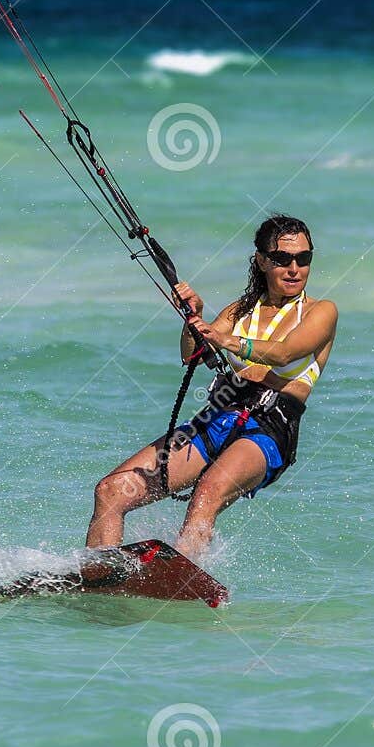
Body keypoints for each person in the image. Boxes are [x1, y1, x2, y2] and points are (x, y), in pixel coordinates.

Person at [87, 214, 337, 559]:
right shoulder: (240, 312)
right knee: (111, 491)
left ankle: (181, 576)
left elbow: (284, 353)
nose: (294, 268)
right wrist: (195, 319)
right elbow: (194, 356)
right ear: (262, 261)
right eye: (282, 259)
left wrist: (227, 339)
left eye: (303, 258)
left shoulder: (320, 312)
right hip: (218, 418)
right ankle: (99, 575)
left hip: (268, 429)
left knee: (208, 491)